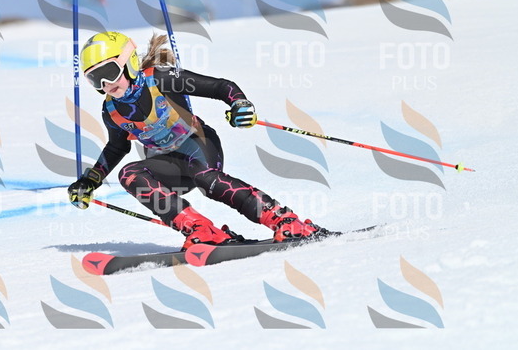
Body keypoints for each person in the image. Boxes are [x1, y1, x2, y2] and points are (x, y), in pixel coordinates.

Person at [68, 31, 330, 250]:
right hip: (168, 164)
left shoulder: (160, 79)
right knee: (129, 174)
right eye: (95, 78)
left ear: (129, 63)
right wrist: (90, 180)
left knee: (207, 179)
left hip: (199, 145)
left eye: (110, 72)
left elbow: (220, 86)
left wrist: (239, 104)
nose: (106, 84)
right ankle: (202, 231)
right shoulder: (111, 111)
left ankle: (286, 221)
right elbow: (117, 147)